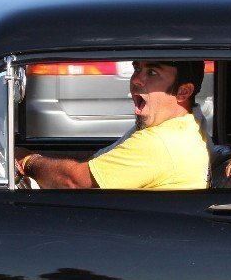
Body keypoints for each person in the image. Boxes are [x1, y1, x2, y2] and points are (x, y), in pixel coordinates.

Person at [15, 60, 210, 189]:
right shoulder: (188, 125)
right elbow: (95, 161)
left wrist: (27, 161)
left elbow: (75, 181)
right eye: (137, 69)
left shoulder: (161, 142)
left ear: (183, 92)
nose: (136, 80)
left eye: (152, 72)